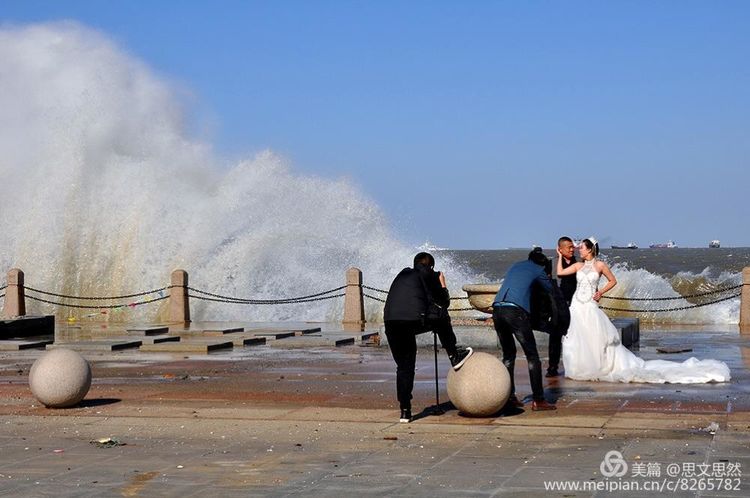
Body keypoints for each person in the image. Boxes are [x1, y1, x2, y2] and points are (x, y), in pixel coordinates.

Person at [557, 237, 731, 383]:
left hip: (590, 303)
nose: (579, 250)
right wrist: (559, 256)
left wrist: (600, 292)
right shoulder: (579, 266)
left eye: (582, 248)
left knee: (594, 336)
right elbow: (560, 272)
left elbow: (613, 281)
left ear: (590, 250)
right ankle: (580, 366)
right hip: (577, 304)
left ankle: (598, 365)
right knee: (578, 336)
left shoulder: (600, 265)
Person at [384, 252, 473, 423]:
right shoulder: (428, 274)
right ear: (430, 266)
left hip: (391, 322)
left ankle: (405, 411)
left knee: (404, 367)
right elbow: (444, 303)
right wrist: (443, 285)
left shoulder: (403, 273)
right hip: (413, 321)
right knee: (442, 318)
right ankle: (454, 355)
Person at [492, 249, 558, 411]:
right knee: (532, 356)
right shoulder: (538, 270)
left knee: (508, 355)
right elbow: (551, 290)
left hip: (497, 308)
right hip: (515, 312)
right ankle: (539, 400)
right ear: (542, 263)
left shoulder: (516, 266)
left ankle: (509, 397)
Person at [546, 236, 577, 377]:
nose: (572, 249)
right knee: (555, 335)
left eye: (573, 247)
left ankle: (576, 365)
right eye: (569, 247)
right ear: (560, 249)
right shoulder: (552, 263)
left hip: (576, 303)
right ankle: (552, 366)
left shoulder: (578, 262)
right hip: (558, 304)